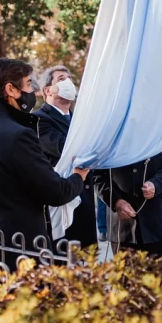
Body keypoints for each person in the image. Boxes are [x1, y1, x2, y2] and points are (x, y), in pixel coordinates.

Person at [0, 58, 89, 270]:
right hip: (18, 251)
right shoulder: (19, 135)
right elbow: (57, 192)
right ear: (11, 89)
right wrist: (79, 173)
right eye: (27, 84)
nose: (31, 91)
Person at [33, 65, 98, 249]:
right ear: (47, 90)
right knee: (62, 263)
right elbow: (65, 149)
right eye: (61, 79)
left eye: (69, 78)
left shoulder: (80, 120)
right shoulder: (39, 119)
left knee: (85, 264)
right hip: (60, 201)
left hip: (83, 201)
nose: (68, 82)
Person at [95, 146, 162, 264]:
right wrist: (116, 201)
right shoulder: (111, 131)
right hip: (122, 227)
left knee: (156, 280)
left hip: (155, 224)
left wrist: (156, 184)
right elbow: (97, 175)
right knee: (124, 280)